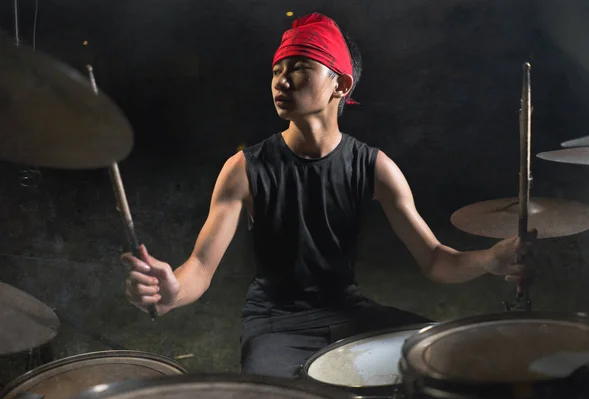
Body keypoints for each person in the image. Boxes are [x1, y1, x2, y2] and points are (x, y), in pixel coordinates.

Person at [121, 13, 535, 379]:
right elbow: (200, 267)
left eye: (299, 68)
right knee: (282, 395)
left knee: (443, 355)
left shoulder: (374, 167)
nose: (281, 80)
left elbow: (434, 259)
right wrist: (173, 290)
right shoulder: (244, 169)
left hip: (350, 312)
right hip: (275, 325)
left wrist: (490, 259)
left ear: (340, 84)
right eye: (277, 69)